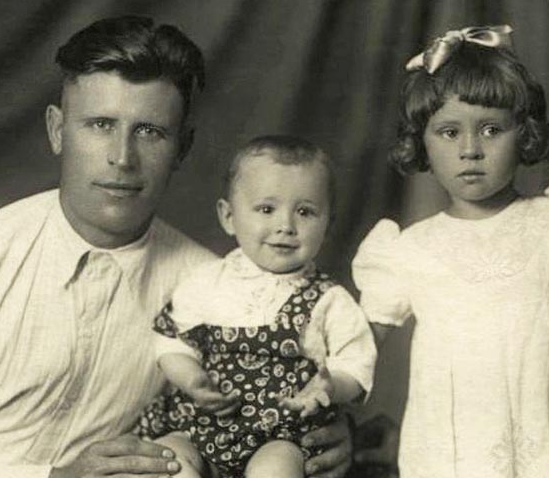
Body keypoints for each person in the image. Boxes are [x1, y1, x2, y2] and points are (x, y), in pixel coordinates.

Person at [0, 16, 351, 478]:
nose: (122, 158)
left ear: (182, 147)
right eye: (100, 125)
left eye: (149, 131)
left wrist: (326, 431)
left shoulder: (215, 287)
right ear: (57, 130)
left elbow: (267, 398)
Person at [352, 26, 549, 478]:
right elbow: (357, 345)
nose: (470, 150)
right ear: (421, 141)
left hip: (542, 458)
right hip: (449, 460)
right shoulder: (410, 249)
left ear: (524, 134)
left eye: (491, 129)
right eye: (448, 132)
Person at [136, 136, 376, 478]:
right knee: (169, 460)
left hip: (282, 434)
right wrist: (191, 378)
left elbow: (356, 362)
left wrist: (330, 385)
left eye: (305, 212)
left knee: (275, 469)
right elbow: (171, 339)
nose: (285, 226)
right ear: (229, 216)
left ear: (328, 224)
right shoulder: (207, 281)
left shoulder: (328, 299)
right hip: (198, 424)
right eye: (266, 209)